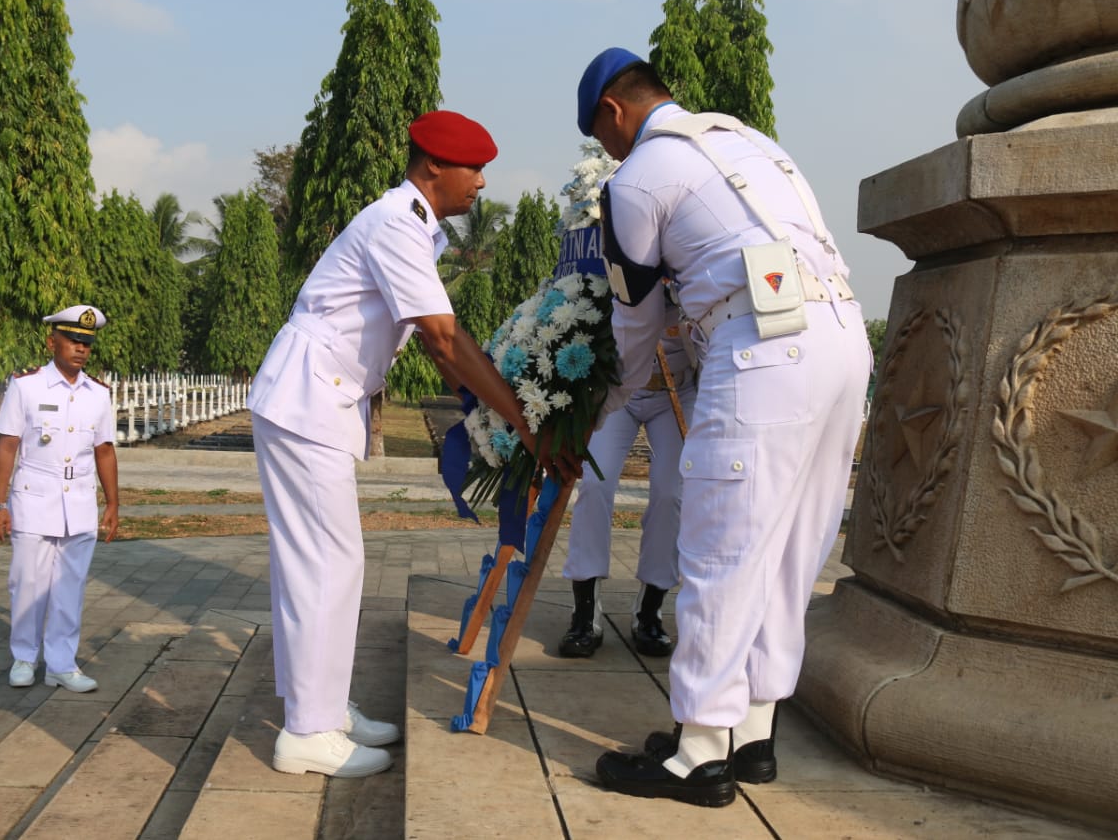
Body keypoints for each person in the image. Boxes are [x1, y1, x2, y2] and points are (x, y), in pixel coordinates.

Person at [575, 48, 872, 807]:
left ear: (614, 111)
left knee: (721, 546)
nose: (607, 152)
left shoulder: (638, 177)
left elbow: (635, 319)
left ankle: (699, 752)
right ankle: (753, 734)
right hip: (843, 344)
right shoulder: (753, 142)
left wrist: (611, 395)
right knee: (790, 552)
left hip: (766, 353)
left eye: (601, 136)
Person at [248, 110, 572, 780]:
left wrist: (484, 404)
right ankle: (307, 729)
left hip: (317, 399)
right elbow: (442, 336)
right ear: (433, 169)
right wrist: (519, 419)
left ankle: (326, 710)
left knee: (330, 566)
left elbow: (436, 343)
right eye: (474, 169)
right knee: (324, 568)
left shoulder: (413, 226)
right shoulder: (398, 222)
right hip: (308, 399)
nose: (482, 182)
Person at [0, 305, 120, 694]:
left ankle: (62, 663)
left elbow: (105, 450)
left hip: (79, 502)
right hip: (33, 498)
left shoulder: (98, 394)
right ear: (52, 342)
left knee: (70, 587)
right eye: (74, 341)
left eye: (87, 343)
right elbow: (8, 446)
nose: (81, 349)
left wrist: (112, 504)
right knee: (28, 583)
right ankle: (25, 657)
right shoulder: (26, 387)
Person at [559, 313, 696, 659]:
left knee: (671, 493)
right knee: (595, 483)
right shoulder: (625, 258)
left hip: (679, 391)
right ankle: (585, 613)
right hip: (620, 390)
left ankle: (650, 609)